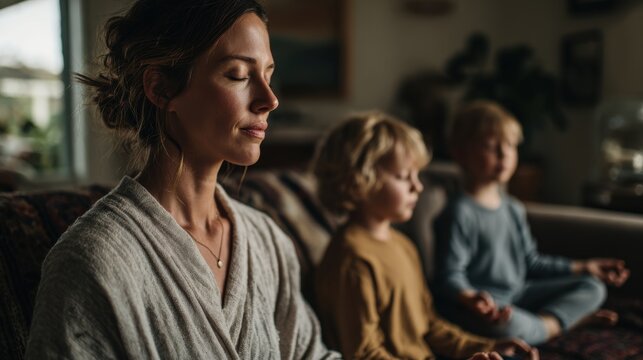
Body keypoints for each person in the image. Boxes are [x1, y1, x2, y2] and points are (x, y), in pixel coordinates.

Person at [25, 1, 339, 358]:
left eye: (268, 74)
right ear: (161, 89)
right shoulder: (93, 261)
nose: (270, 100)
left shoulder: (268, 242)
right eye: (238, 75)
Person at [313, 112, 537, 360]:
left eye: (416, 175)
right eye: (402, 176)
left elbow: (429, 325)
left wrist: (486, 346)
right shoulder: (353, 259)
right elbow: (365, 353)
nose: (417, 186)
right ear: (358, 179)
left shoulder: (403, 245)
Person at [434, 100, 630, 345]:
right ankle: (561, 323)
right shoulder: (460, 212)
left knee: (593, 287)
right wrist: (471, 298)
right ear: (460, 153)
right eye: (491, 146)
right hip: (490, 306)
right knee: (505, 327)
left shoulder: (512, 208)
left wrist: (584, 267)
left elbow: (531, 262)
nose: (504, 154)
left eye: (511, 146)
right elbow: (449, 275)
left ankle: (545, 326)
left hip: (521, 293)